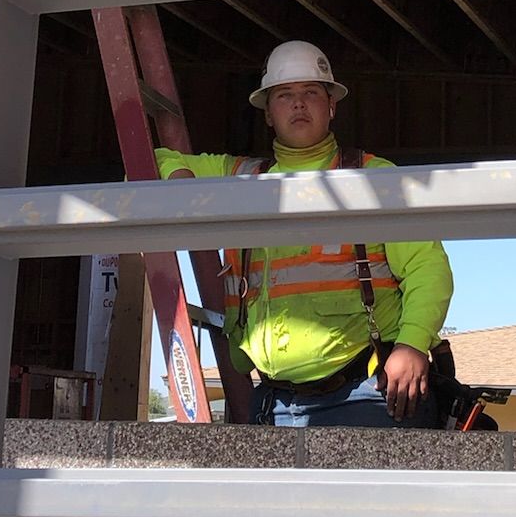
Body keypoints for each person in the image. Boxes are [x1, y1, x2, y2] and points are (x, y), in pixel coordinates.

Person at [156, 40, 453, 427]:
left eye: (311, 92)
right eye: (284, 95)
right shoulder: (239, 177)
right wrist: (179, 179)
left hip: (368, 395)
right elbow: (150, 162)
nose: (298, 103)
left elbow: (428, 268)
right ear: (268, 113)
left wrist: (413, 344)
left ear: (331, 106)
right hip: (273, 400)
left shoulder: (373, 176)